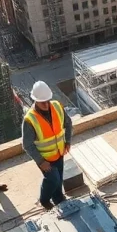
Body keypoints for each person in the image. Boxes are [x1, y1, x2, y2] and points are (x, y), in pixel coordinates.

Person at [22, 81, 73, 209]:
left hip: (59, 153)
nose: (46, 104)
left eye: (47, 101)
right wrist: (40, 161)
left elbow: (68, 123)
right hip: (45, 159)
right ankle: (44, 200)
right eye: (42, 102)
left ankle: (58, 199)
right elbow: (27, 145)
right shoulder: (30, 119)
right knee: (53, 179)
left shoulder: (57, 107)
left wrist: (67, 141)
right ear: (35, 100)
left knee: (59, 179)